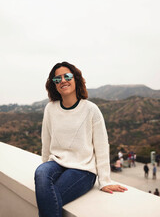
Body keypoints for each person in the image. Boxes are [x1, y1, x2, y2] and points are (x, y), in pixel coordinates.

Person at [34, 62, 128, 217]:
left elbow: (102, 146)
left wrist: (105, 180)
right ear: (54, 85)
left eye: (67, 76)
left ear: (75, 79)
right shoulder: (50, 109)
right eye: (57, 79)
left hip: (83, 169)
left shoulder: (91, 109)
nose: (63, 80)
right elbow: (46, 141)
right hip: (57, 163)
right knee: (40, 172)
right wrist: (45, 175)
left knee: (50, 196)